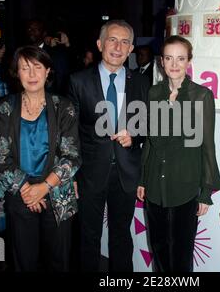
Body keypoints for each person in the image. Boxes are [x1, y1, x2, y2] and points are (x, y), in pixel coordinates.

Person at [0, 45, 81, 271]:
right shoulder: (4, 108)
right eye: (24, 68)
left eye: (37, 67)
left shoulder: (64, 107)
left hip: (57, 192)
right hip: (19, 193)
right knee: (23, 261)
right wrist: (28, 190)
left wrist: (44, 188)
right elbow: (0, 158)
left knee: (59, 262)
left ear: (48, 71)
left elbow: (72, 156)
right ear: (16, 73)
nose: (31, 74)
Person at [67, 20, 149, 272]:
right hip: (90, 172)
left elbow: (147, 125)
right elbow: (69, 133)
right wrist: (73, 173)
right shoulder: (78, 81)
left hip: (126, 172)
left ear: (131, 48)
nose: (118, 46)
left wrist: (134, 136)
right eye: (112, 40)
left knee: (122, 236)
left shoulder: (142, 82)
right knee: (88, 236)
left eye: (125, 42)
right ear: (100, 44)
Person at [136, 35, 220, 272]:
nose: (174, 64)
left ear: (188, 62)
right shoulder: (154, 93)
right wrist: (143, 178)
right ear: (161, 62)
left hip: (185, 185)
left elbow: (207, 145)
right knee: (159, 249)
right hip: (154, 184)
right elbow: (149, 142)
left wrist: (205, 191)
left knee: (181, 252)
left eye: (180, 58)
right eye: (169, 58)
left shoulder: (201, 96)